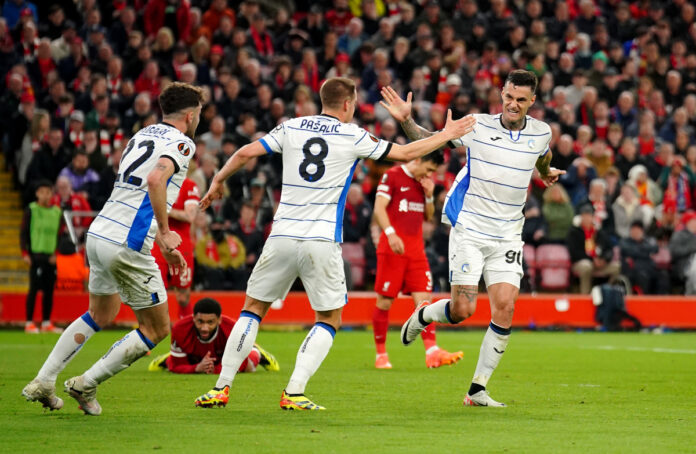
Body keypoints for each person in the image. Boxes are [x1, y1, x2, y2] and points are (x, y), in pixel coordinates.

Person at [193, 77, 476, 411]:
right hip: (322, 239)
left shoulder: (291, 127)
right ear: (347, 104)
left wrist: (218, 180)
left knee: (252, 309)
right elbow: (404, 152)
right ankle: (294, 392)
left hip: (281, 235)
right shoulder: (353, 134)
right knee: (328, 318)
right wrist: (445, 135)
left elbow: (244, 152)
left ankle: (220, 388)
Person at [382, 70, 565, 407]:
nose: (512, 104)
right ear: (502, 93)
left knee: (505, 308)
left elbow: (544, 155)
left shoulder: (541, 132)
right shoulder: (477, 124)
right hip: (471, 229)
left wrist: (545, 173)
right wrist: (407, 121)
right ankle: (425, 314)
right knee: (463, 309)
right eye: (508, 97)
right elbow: (431, 139)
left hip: (509, 234)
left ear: (532, 101)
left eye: (520, 99)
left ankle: (477, 390)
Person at [22, 82, 203, 415]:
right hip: (128, 242)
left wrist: (159, 236)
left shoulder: (141, 135)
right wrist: (165, 233)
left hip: (100, 231)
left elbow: (136, 190)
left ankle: (44, 380)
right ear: (191, 115)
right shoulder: (183, 143)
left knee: (99, 314)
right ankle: (86, 383)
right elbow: (154, 181)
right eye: (199, 114)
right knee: (157, 328)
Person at [372, 151, 463, 369]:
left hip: (416, 251)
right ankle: (381, 354)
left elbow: (428, 216)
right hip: (392, 248)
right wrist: (391, 234)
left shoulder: (424, 183)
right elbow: (378, 208)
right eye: (429, 169)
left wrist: (429, 196)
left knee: (424, 301)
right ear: (419, 160)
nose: (429, 175)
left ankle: (432, 352)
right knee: (385, 301)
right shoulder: (393, 175)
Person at [147, 298, 278, 374]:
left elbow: (241, 363)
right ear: (193, 318)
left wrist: (215, 370)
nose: (205, 328)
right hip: (195, 356)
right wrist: (196, 368)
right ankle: (171, 356)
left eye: (210, 322)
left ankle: (256, 352)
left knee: (249, 368)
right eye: (200, 322)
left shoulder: (232, 328)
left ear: (219, 320)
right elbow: (176, 366)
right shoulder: (180, 328)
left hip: (224, 356)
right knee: (172, 366)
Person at [151, 176, 199, 319]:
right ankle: (156, 327)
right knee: (156, 290)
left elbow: (190, 215)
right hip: (157, 242)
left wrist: (163, 209)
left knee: (183, 296)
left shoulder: (189, 185)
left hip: (181, 243)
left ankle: (185, 328)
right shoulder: (155, 181)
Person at [20, 180, 63, 334]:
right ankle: (29, 322)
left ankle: (46, 322)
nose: (45, 195)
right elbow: (24, 232)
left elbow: (60, 235)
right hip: (35, 256)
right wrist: (25, 253)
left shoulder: (57, 212)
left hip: (50, 257)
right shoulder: (31, 209)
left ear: (52, 194)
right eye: (42, 192)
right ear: (37, 194)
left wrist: (56, 253)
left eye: (48, 192)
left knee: (49, 291)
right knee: (33, 289)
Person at [567, 202, 620, 294]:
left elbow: (609, 249)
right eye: (584, 216)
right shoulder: (574, 232)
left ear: (593, 217)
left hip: (599, 262)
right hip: (582, 262)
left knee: (617, 267)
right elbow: (574, 252)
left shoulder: (599, 232)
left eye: (589, 216)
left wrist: (604, 259)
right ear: (581, 217)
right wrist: (592, 259)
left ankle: (608, 292)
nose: (587, 218)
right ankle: (585, 295)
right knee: (587, 266)